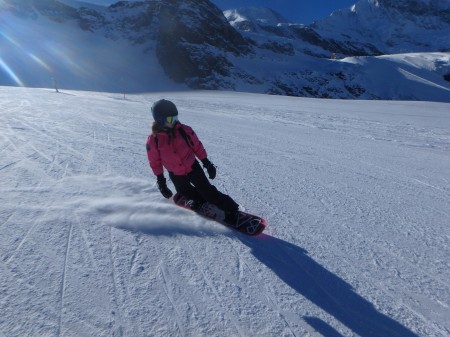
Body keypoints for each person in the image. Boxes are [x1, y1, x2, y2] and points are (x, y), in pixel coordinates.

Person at [146, 99, 240, 225]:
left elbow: (197, 147)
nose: (174, 122)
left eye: (175, 118)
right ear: (160, 119)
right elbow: (155, 161)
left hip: (192, 167)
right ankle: (199, 201)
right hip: (175, 173)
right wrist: (161, 181)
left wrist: (207, 163)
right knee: (185, 192)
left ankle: (231, 210)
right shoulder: (154, 140)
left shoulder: (184, 130)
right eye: (170, 120)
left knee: (208, 192)